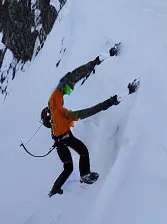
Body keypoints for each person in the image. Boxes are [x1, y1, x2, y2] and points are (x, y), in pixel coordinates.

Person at [46, 55, 131, 197]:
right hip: (65, 138)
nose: (68, 92)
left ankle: (54, 189)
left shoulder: (53, 102)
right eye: (67, 91)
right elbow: (87, 111)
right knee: (83, 152)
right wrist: (109, 102)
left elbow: (71, 78)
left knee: (68, 167)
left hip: (58, 140)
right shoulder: (63, 111)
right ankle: (84, 175)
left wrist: (92, 64)